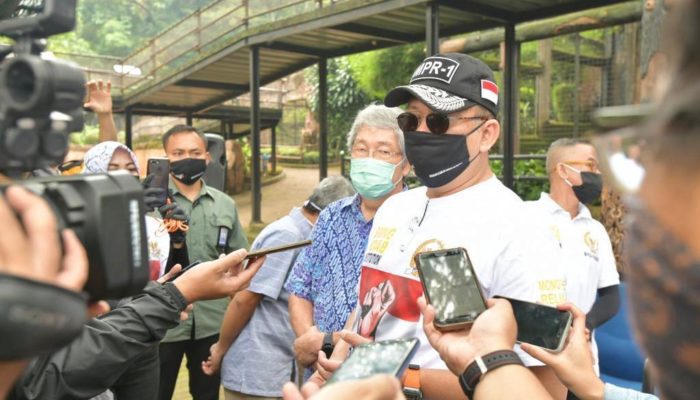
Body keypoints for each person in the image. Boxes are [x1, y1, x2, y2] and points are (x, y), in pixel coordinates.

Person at [321, 53, 568, 399]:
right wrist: (343, 361)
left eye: (438, 122)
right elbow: (369, 309)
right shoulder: (394, 208)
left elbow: (548, 386)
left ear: (487, 135)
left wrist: (401, 381)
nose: (421, 133)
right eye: (411, 120)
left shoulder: (522, 231)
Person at [201, 176, 355, 400]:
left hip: (283, 370)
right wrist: (220, 349)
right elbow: (245, 299)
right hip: (258, 373)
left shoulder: (309, 236)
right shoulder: (287, 235)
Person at [284, 104, 409, 371]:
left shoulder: (415, 223)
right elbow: (300, 288)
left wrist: (327, 343)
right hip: (318, 373)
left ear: (406, 164)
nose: (369, 159)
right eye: (361, 149)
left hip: (377, 378)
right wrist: (311, 342)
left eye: (384, 151)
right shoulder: (331, 216)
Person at [158, 124, 248, 400]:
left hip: (211, 323)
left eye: (195, 152)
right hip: (161, 322)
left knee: (207, 394)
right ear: (165, 158)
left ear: (207, 157)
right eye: (178, 152)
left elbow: (241, 257)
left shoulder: (224, 204)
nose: (188, 157)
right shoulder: (151, 203)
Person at [524, 138, 621, 374]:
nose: (597, 174)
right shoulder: (523, 216)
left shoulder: (595, 230)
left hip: (582, 361)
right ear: (562, 169)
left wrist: (584, 325)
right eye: (591, 165)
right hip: (529, 359)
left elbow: (611, 296)